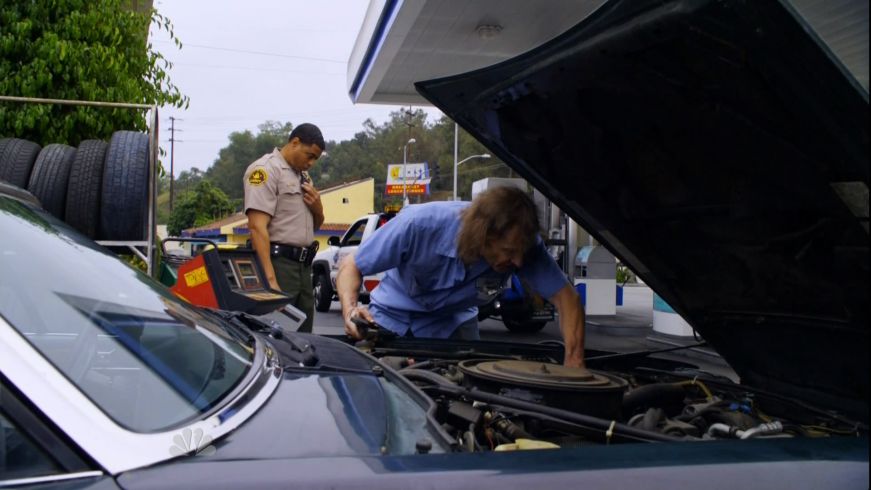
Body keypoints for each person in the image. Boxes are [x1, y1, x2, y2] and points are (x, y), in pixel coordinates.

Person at [336, 186, 585, 368]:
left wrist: (574, 360)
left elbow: (568, 300)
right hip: (390, 318)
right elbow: (351, 266)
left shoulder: (523, 246)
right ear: (482, 235)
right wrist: (350, 311)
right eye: (509, 252)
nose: (518, 263)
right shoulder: (419, 225)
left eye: (521, 254)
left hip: (452, 324)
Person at [243, 123, 325, 333]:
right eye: (309, 155)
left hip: (304, 267)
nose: (311, 163)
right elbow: (257, 227)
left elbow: (312, 227)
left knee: (304, 338)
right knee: (277, 336)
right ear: (295, 142)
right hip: (279, 266)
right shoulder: (265, 170)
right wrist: (270, 282)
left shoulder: (303, 177)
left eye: (316, 158)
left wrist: (318, 209)